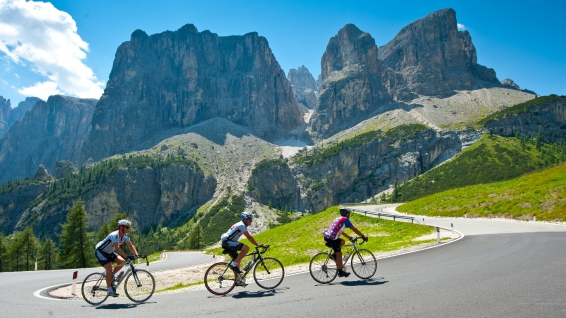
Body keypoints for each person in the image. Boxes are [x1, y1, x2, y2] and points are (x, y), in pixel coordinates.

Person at [95, 219, 139, 297]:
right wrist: (126, 256)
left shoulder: (125, 236)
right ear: (121, 227)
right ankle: (109, 290)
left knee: (122, 262)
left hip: (109, 252)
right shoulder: (114, 235)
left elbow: (131, 246)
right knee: (109, 268)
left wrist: (137, 255)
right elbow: (117, 248)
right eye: (127, 227)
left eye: (129, 227)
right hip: (100, 251)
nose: (128, 229)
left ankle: (111, 276)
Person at [323, 208, 368, 278]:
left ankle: (334, 256)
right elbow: (354, 229)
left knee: (342, 242)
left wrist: (349, 238)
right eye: (349, 213)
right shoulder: (345, 220)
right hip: (332, 238)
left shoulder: (338, 219)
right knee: (339, 254)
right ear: (347, 214)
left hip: (328, 236)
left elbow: (341, 231)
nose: (349, 215)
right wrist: (363, 236)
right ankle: (340, 272)